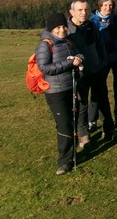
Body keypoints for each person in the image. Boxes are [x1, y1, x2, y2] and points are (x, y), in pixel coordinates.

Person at [36, 13, 84, 175]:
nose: (62, 30)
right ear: (51, 29)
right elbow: (45, 67)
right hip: (55, 91)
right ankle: (64, 161)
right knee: (63, 123)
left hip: (71, 87)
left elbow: (79, 54)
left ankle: (71, 151)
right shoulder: (44, 45)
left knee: (72, 120)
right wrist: (69, 63)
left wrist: (78, 58)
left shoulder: (69, 42)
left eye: (64, 27)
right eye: (58, 28)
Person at [67, 0, 115, 146]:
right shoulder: (67, 30)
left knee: (103, 100)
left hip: (97, 69)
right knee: (81, 104)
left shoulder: (91, 25)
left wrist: (102, 61)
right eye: (80, 10)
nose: (84, 13)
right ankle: (83, 134)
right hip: (80, 73)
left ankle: (109, 130)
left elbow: (99, 44)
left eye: (86, 10)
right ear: (72, 12)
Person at [90, 0, 117, 129]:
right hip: (101, 60)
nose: (108, 8)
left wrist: (114, 46)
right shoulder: (92, 21)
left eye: (110, 5)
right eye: (105, 5)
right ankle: (94, 119)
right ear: (99, 6)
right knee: (99, 89)